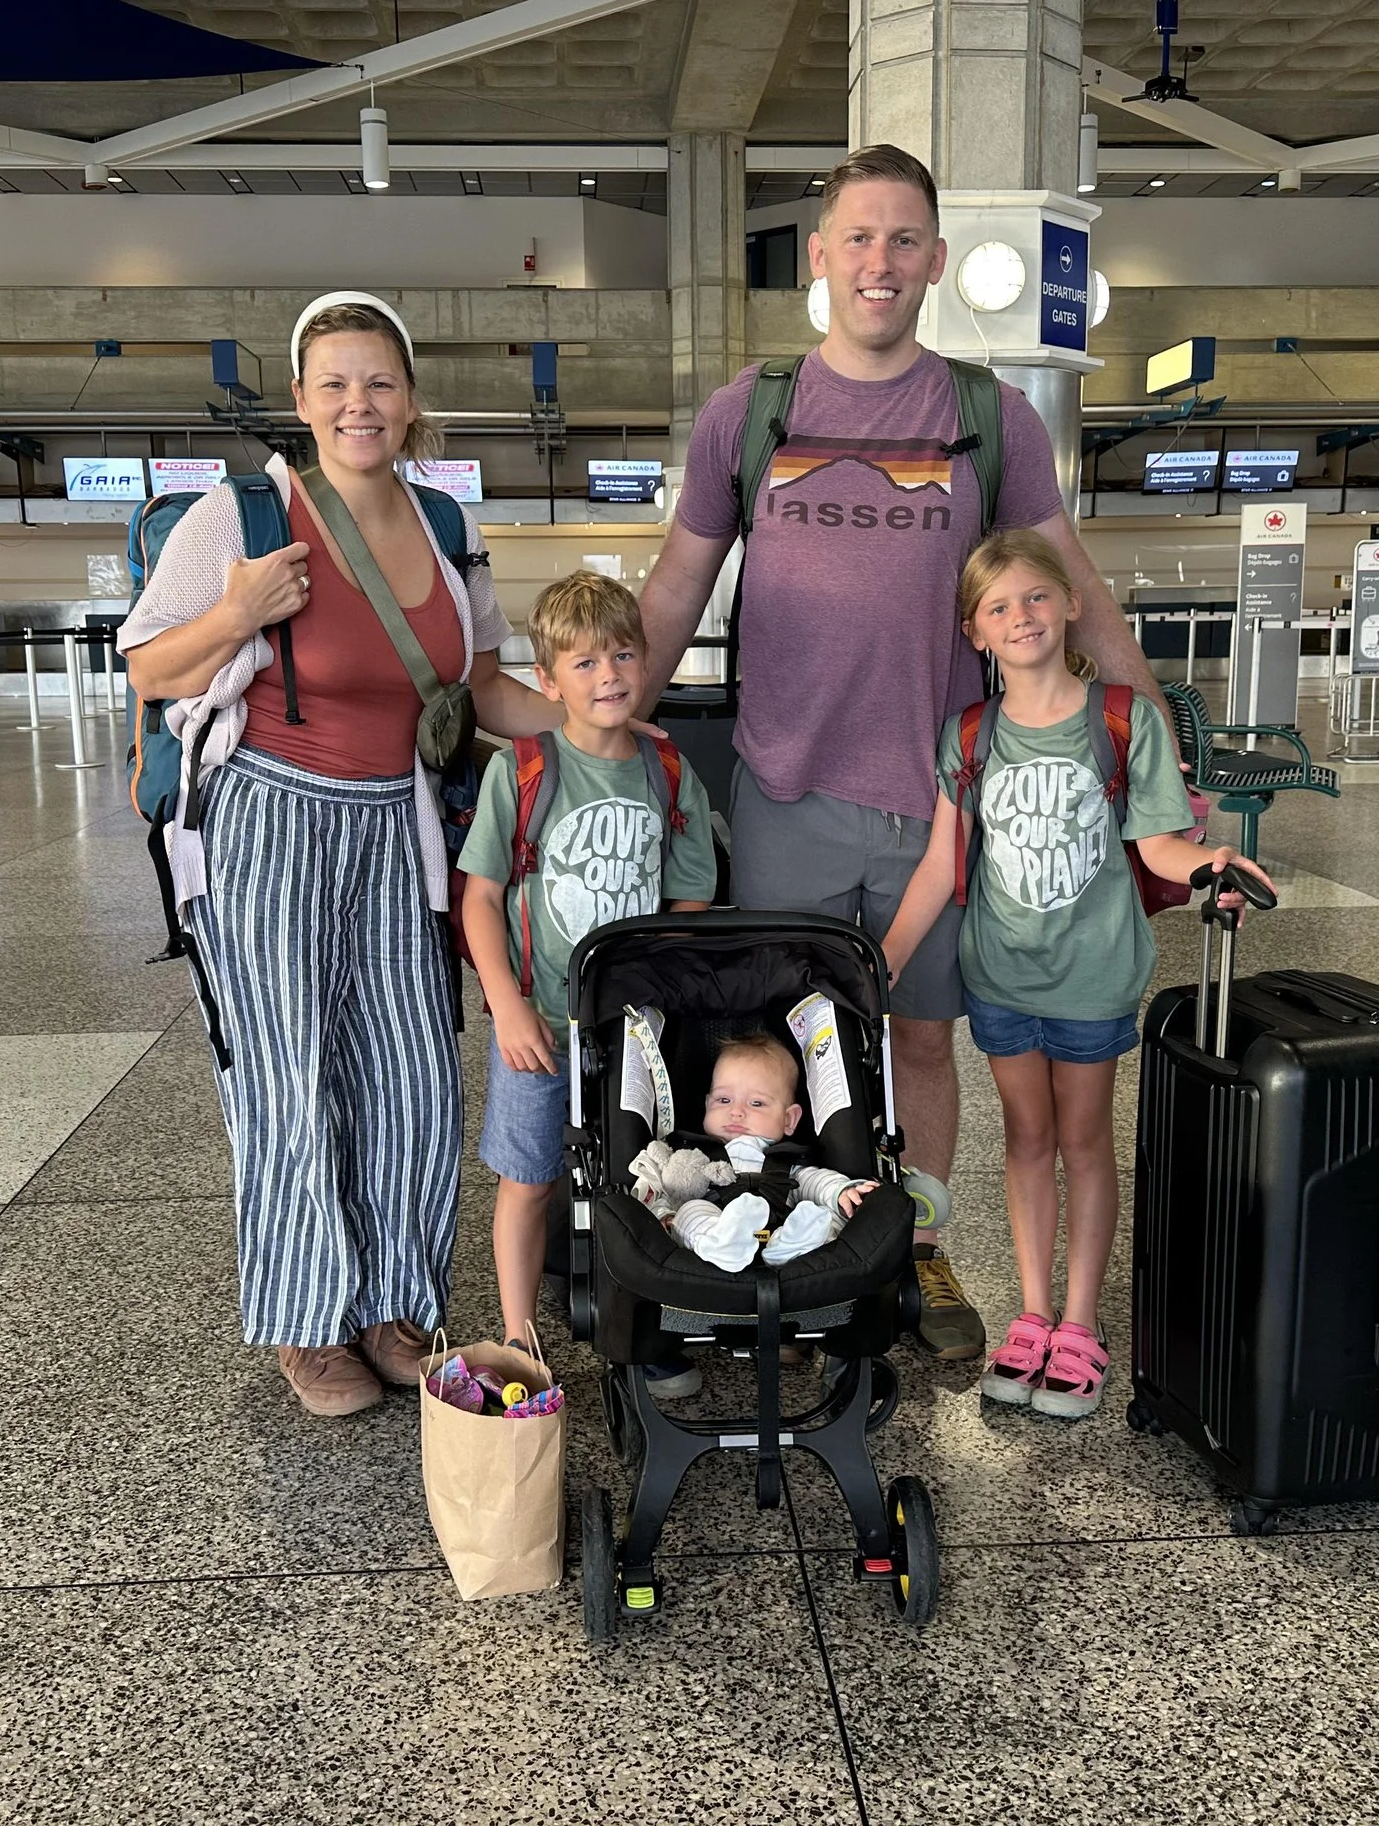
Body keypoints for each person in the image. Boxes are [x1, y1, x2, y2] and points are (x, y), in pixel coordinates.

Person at [635, 142, 1166, 1363]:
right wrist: (592, 732)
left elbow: (1065, 584)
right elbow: (674, 588)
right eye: (856, 238)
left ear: (934, 260)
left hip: (938, 797)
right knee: (777, 1037)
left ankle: (917, 1252)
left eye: (903, 239)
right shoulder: (751, 412)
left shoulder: (988, 417)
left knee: (923, 1039)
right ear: (818, 258)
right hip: (784, 787)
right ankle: (774, 1230)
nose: (880, 261)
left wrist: (1158, 736)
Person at [121, 292, 556, 1418]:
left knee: (410, 1074)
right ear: (304, 402)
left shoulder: (449, 529)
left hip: (394, 821)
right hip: (268, 814)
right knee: (286, 1072)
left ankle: (391, 1302)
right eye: (335, 384)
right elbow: (149, 669)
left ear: (411, 403)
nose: (359, 403)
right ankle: (308, 1322)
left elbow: (485, 687)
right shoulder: (244, 515)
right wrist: (236, 614)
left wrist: (601, 719)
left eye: (379, 383)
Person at [881, 530, 1271, 1418]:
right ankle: (1032, 1314)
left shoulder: (1122, 720)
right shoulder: (970, 735)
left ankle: (1083, 1323)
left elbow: (1158, 843)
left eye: (1034, 597)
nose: (1020, 616)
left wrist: (1210, 862)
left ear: (1069, 605)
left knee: (1083, 1139)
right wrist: (888, 959)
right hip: (1001, 975)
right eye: (997, 606)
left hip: (1094, 972)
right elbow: (944, 866)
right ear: (974, 632)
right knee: (1025, 1140)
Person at [458, 570, 715, 1366]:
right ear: (548, 680)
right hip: (539, 1018)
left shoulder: (668, 773)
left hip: (635, 1026)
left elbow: (690, 899)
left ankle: (646, 1318)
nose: (608, 676)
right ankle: (516, 1331)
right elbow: (481, 897)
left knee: (644, 1174)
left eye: (623, 655)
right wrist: (505, 1004)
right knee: (529, 1177)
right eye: (584, 663)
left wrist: (654, 995)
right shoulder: (524, 771)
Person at [631, 1034, 879, 1273]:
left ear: (789, 1119)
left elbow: (815, 1181)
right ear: (707, 1104)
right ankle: (723, 1244)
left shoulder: (786, 1163)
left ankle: (792, 1246)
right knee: (689, 1210)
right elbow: (667, 1189)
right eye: (724, 1100)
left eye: (756, 1103)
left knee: (822, 1217)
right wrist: (664, 1215)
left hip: (779, 1227)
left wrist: (841, 1191)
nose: (736, 1111)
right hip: (716, 1227)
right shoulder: (694, 1157)